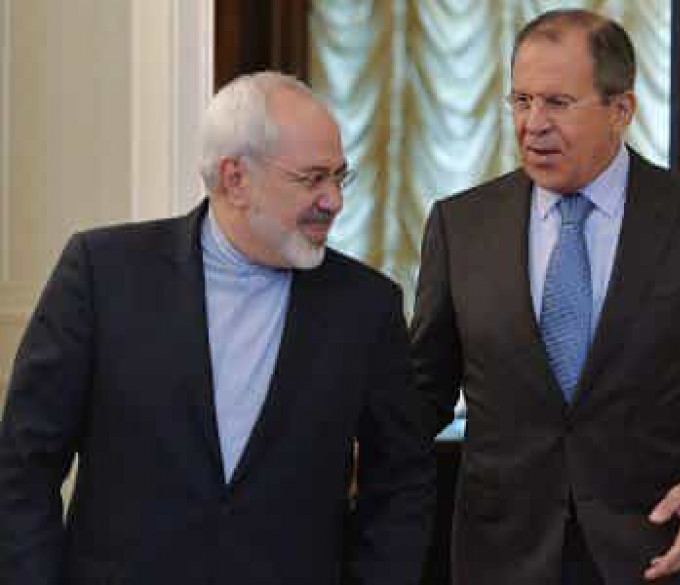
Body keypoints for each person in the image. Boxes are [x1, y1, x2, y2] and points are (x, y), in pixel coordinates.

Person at [0, 71, 434, 585]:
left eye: (340, 177)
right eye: (312, 179)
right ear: (235, 179)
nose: (334, 201)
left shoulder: (366, 307)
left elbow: (402, 480)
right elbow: (24, 464)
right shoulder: (103, 273)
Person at [411, 9, 680, 585]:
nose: (533, 125)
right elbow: (421, 393)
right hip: (502, 559)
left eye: (558, 103)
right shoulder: (461, 226)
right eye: (521, 101)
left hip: (659, 555)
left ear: (621, 110)